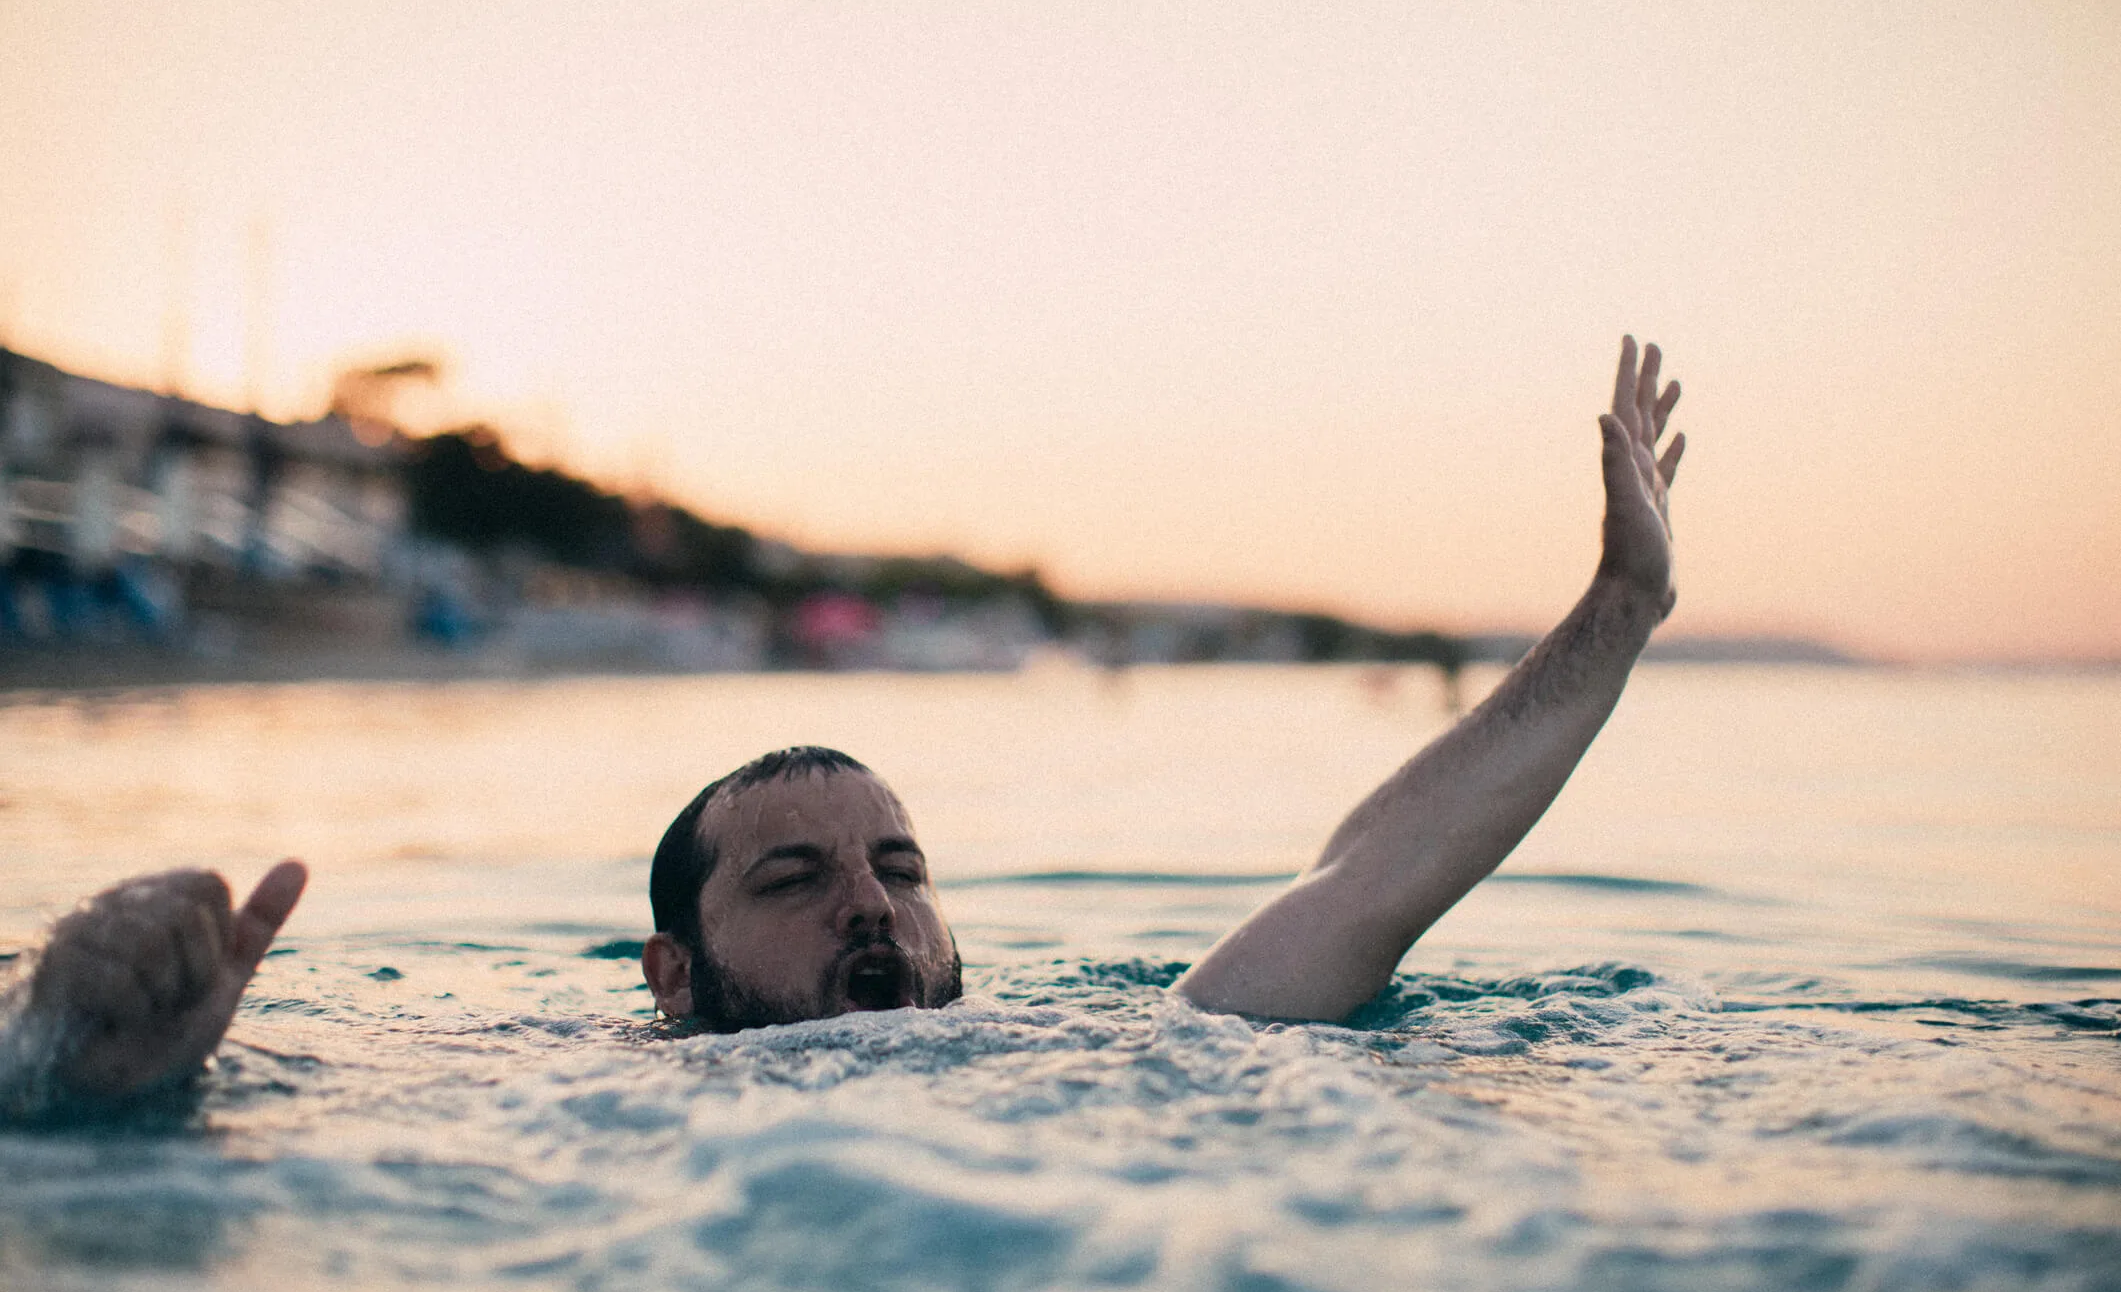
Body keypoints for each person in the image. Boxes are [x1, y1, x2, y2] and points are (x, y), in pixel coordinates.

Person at [1, 337, 1687, 1105]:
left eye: (896, 864)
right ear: (670, 978)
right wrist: (89, 1051)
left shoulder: (1087, 1059)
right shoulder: (538, 1090)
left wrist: (1615, 617)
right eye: (793, 880)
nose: (872, 902)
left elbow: (1367, 881)